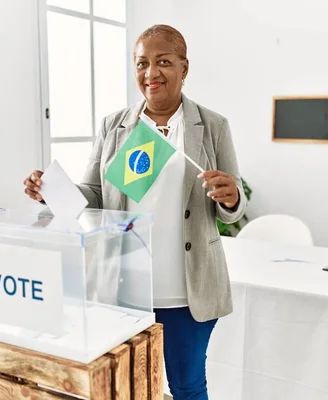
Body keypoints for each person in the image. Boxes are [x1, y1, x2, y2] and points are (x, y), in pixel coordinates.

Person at [24, 24, 246, 400]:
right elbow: (94, 194)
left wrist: (230, 198)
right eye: (142, 63)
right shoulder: (116, 126)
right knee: (128, 385)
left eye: (163, 62)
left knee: (187, 385)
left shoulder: (212, 126)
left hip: (187, 291)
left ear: (184, 68)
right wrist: (52, 193)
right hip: (125, 287)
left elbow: (231, 207)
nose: (151, 73)